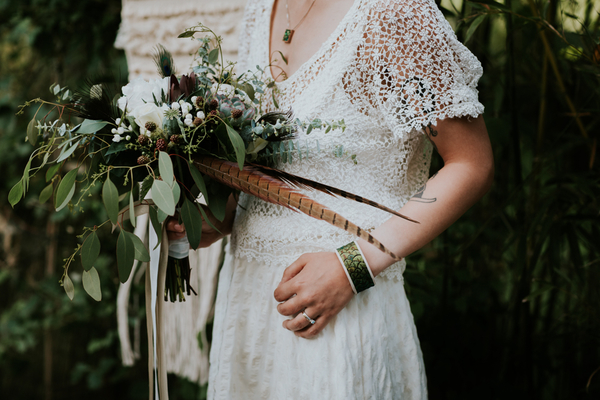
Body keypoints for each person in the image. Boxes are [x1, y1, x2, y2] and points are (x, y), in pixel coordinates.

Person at [168, 0, 494, 398]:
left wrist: (354, 265)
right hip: (249, 307)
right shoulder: (260, 10)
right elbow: (265, 163)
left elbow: (470, 164)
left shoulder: (395, 14)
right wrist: (217, 219)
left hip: (342, 313)